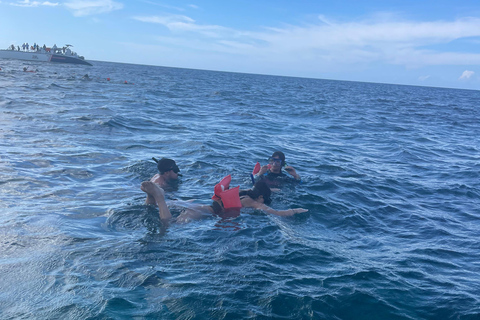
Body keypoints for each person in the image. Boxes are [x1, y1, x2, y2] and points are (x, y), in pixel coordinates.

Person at [140, 179, 308, 223]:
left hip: (200, 203)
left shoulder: (243, 193)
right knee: (169, 224)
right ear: (261, 197)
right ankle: (159, 197)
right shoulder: (252, 201)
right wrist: (296, 211)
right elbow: (277, 213)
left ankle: (152, 197)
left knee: (156, 211)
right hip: (206, 211)